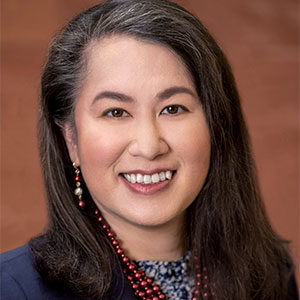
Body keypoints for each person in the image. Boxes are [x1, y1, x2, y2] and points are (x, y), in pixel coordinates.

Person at [1, 0, 298, 299]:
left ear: (215, 124)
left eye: (172, 108)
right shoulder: (13, 288)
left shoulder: (269, 276)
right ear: (71, 140)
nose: (149, 146)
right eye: (115, 112)